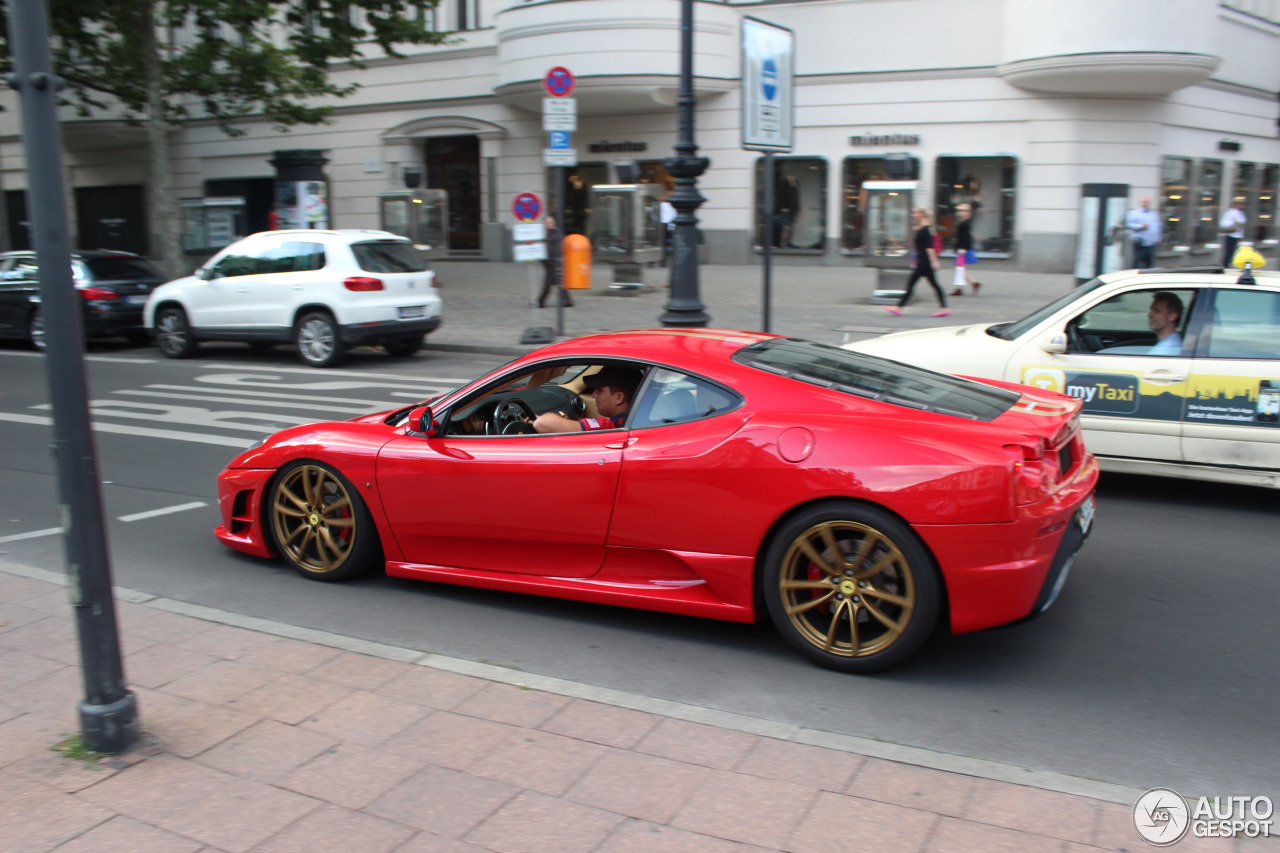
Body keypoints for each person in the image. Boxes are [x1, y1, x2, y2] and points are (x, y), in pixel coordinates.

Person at [531, 366, 643, 433]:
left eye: (600, 390)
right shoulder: (638, 422)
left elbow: (541, 424)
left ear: (619, 397)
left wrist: (562, 416)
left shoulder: (607, 427)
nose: (594, 394)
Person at [885, 206, 949, 317]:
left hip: (924, 263)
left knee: (911, 285)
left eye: (915, 213)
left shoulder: (925, 229)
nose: (913, 215)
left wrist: (934, 262)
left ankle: (898, 307)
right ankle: (944, 308)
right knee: (934, 285)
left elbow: (929, 247)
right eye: (912, 213)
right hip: (923, 262)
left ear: (921, 214)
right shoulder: (923, 228)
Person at [536, 215, 572, 309]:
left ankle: (540, 301)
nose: (546, 224)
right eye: (545, 223)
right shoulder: (547, 234)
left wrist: (553, 259)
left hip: (553, 262)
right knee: (558, 282)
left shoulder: (556, 234)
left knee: (548, 283)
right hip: (550, 263)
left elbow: (557, 249)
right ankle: (567, 300)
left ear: (553, 223)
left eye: (548, 222)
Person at [950, 202, 981, 296]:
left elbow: (966, 237)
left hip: (963, 249)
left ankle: (960, 288)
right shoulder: (963, 222)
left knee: (959, 268)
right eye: (958, 210)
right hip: (961, 248)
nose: (959, 212)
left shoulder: (966, 223)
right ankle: (973, 283)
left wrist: (963, 248)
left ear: (968, 212)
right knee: (959, 268)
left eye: (962, 210)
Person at [1125, 197, 1162, 269]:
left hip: (1151, 243)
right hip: (1140, 243)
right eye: (1144, 202)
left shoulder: (1153, 214)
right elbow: (1128, 224)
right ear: (1141, 203)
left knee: (1149, 265)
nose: (1145, 204)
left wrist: (1158, 238)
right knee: (1137, 263)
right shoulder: (1134, 213)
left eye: (1147, 202)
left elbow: (1158, 226)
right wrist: (1140, 226)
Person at [1147, 291, 1183, 355]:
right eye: (1151, 310)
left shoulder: (1167, 350)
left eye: (1157, 311)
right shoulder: (1170, 343)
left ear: (1172, 316)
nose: (1150, 315)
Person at [1219, 199, 1247, 268]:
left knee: (1235, 252)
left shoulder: (1240, 213)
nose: (1241, 206)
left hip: (1239, 235)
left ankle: (1231, 264)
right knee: (1229, 251)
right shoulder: (1230, 213)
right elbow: (1223, 224)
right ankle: (1226, 265)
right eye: (1239, 204)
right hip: (1231, 235)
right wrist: (1233, 223)